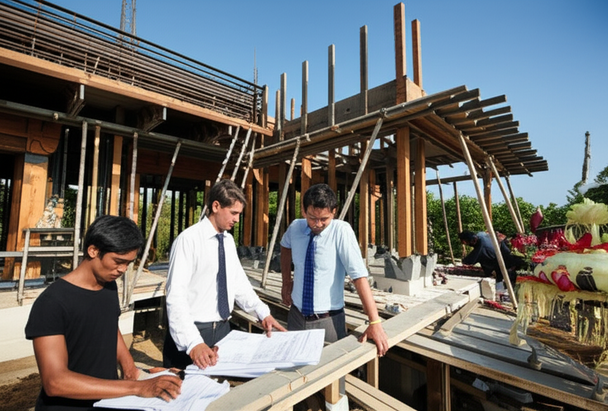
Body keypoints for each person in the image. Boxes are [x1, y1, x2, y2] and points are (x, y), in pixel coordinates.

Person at [25, 215, 182, 411]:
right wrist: (137, 387)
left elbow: (108, 327)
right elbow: (55, 382)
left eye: (128, 263)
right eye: (118, 261)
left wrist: (131, 370)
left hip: (110, 400)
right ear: (93, 250)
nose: (123, 269)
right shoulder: (52, 303)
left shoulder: (108, 287)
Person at [163, 179, 286, 370]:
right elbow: (175, 297)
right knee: (185, 392)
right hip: (193, 333)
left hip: (222, 332)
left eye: (239, 214)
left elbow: (238, 284)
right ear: (216, 206)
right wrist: (193, 342)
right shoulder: (188, 240)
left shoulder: (227, 242)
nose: (237, 219)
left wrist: (262, 313)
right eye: (234, 213)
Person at [280, 183, 389, 356]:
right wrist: (286, 281)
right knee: (294, 372)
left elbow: (359, 276)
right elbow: (285, 247)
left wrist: (374, 322)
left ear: (334, 212)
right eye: (312, 218)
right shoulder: (295, 228)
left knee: (331, 378)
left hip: (328, 320)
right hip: (296, 315)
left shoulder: (341, 231)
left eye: (324, 219)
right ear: (304, 211)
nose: (317, 224)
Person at [458, 230, 524, 285]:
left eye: (465, 242)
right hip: (505, 253)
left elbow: (472, 258)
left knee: (503, 278)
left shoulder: (481, 246)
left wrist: (464, 261)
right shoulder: (481, 234)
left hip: (505, 260)